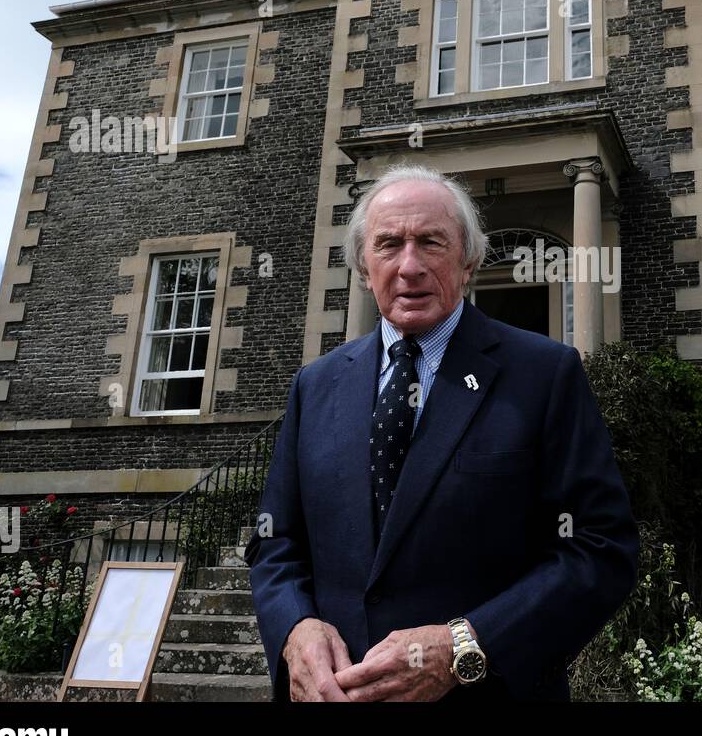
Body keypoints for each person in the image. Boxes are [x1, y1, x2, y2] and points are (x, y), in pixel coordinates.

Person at [246, 163, 639, 701]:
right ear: (363, 267)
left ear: (469, 261)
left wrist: (465, 646)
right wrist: (294, 629)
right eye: (388, 245)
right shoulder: (316, 385)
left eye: (431, 242)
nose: (409, 266)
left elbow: (601, 548)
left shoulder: (544, 375)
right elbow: (277, 542)